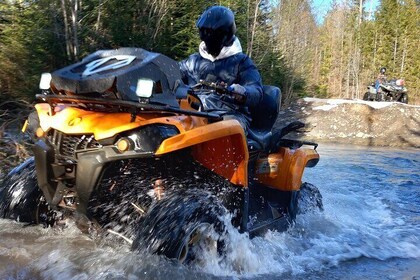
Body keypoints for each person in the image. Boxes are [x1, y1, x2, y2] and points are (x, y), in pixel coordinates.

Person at [179, 5, 263, 135]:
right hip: (193, 110)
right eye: (205, 34)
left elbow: (256, 90)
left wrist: (243, 92)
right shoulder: (193, 61)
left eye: (211, 35)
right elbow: (173, 71)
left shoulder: (242, 62)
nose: (207, 40)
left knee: (223, 133)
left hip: (230, 114)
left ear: (224, 35)